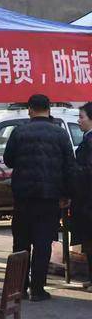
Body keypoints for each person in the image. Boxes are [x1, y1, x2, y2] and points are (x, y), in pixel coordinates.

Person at [3, 94, 75, 301]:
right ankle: (37, 289)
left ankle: (19, 289)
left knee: (21, 244)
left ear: (30, 110)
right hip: (49, 198)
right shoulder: (60, 134)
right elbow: (69, 167)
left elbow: (8, 160)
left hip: (23, 197)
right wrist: (67, 194)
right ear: (48, 109)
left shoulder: (19, 132)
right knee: (43, 244)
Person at [71, 102, 92, 292]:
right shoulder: (87, 139)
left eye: (81, 117)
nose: (79, 121)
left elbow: (88, 170)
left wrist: (74, 171)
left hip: (88, 199)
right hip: (85, 199)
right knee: (88, 240)